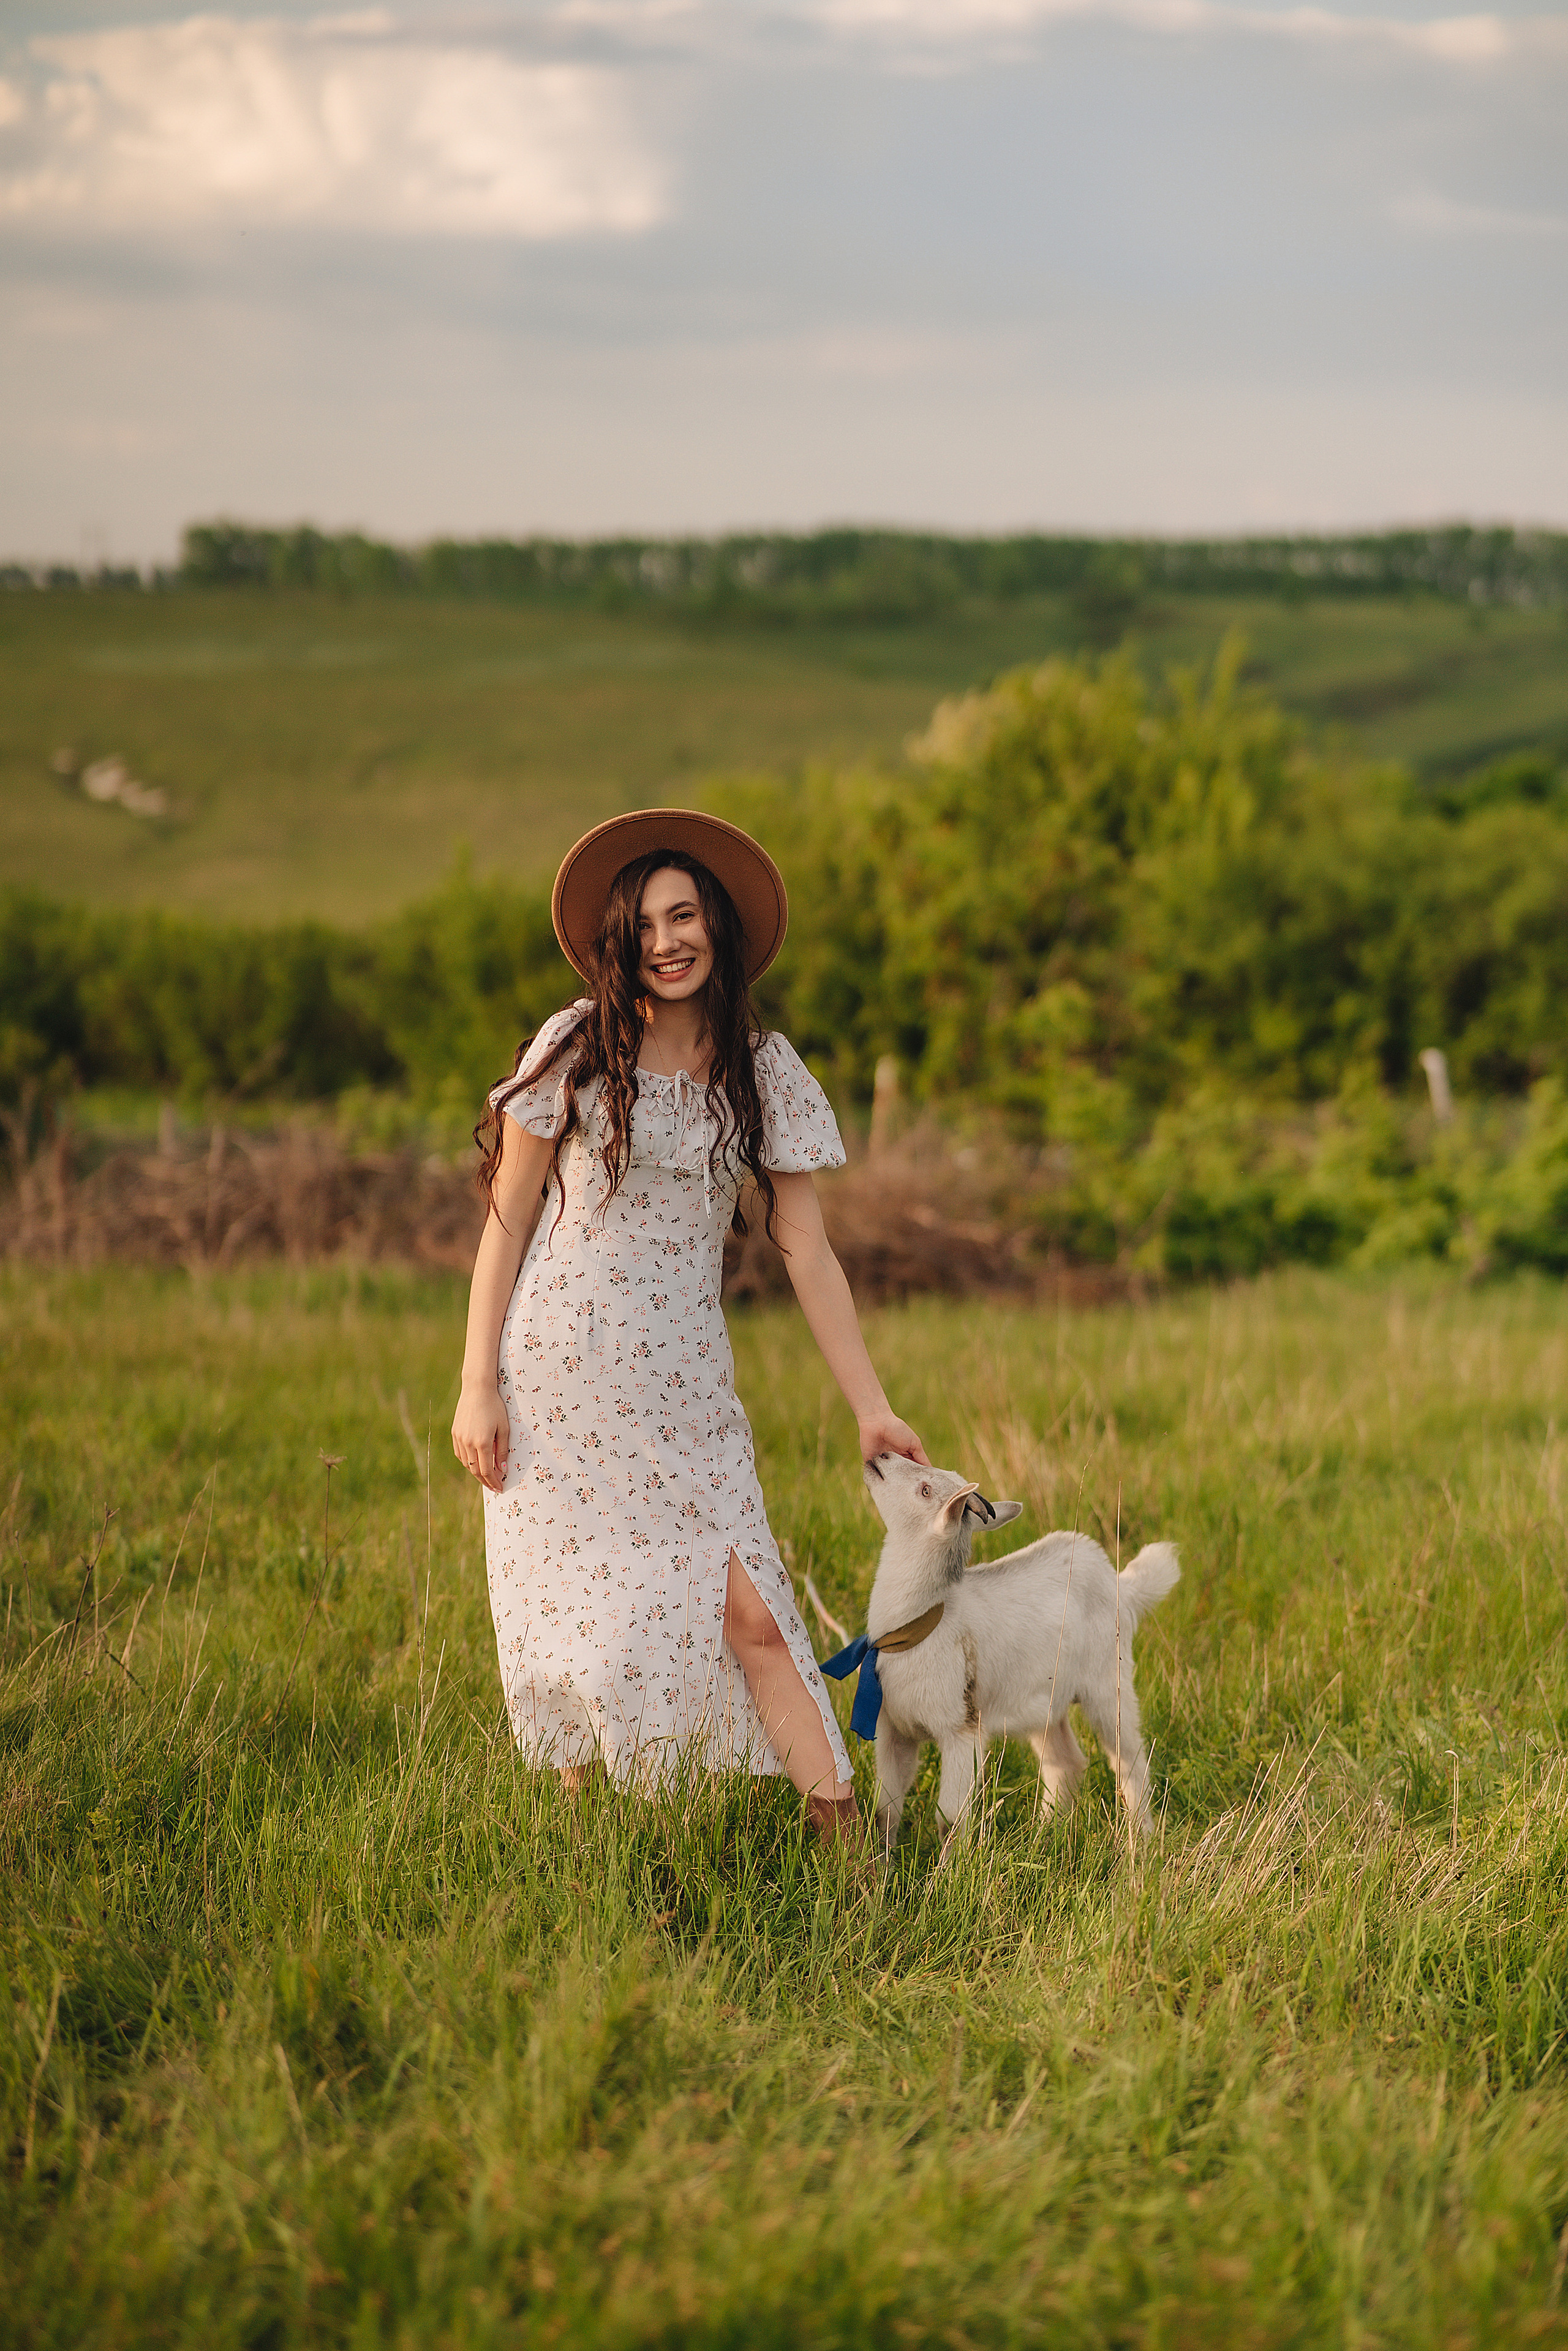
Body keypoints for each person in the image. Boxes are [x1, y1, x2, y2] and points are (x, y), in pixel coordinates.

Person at [450, 809, 928, 1848]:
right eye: (648, 921)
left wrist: (872, 1406)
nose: (668, 939)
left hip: (685, 1387)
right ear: (620, 938)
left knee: (755, 1615)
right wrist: (476, 1379)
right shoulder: (577, 1044)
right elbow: (507, 1216)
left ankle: (857, 1873)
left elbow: (806, 1248)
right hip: (558, 1373)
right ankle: (604, 1873)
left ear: (718, 927)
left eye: (687, 915)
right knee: (581, 1623)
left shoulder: (763, 1065)